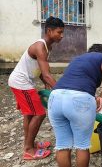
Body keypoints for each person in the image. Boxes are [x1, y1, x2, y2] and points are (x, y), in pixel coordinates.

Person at [48, 44, 102, 167]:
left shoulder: (77, 59)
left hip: (55, 98)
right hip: (79, 100)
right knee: (82, 145)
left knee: (62, 144)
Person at [8, 16, 64, 160]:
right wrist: (62, 91)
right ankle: (28, 149)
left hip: (23, 82)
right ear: (49, 31)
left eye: (62, 32)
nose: (61, 36)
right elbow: (46, 74)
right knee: (39, 114)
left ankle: (30, 143)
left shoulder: (47, 46)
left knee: (29, 114)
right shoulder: (40, 46)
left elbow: (40, 69)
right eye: (59, 32)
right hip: (21, 83)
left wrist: (45, 81)